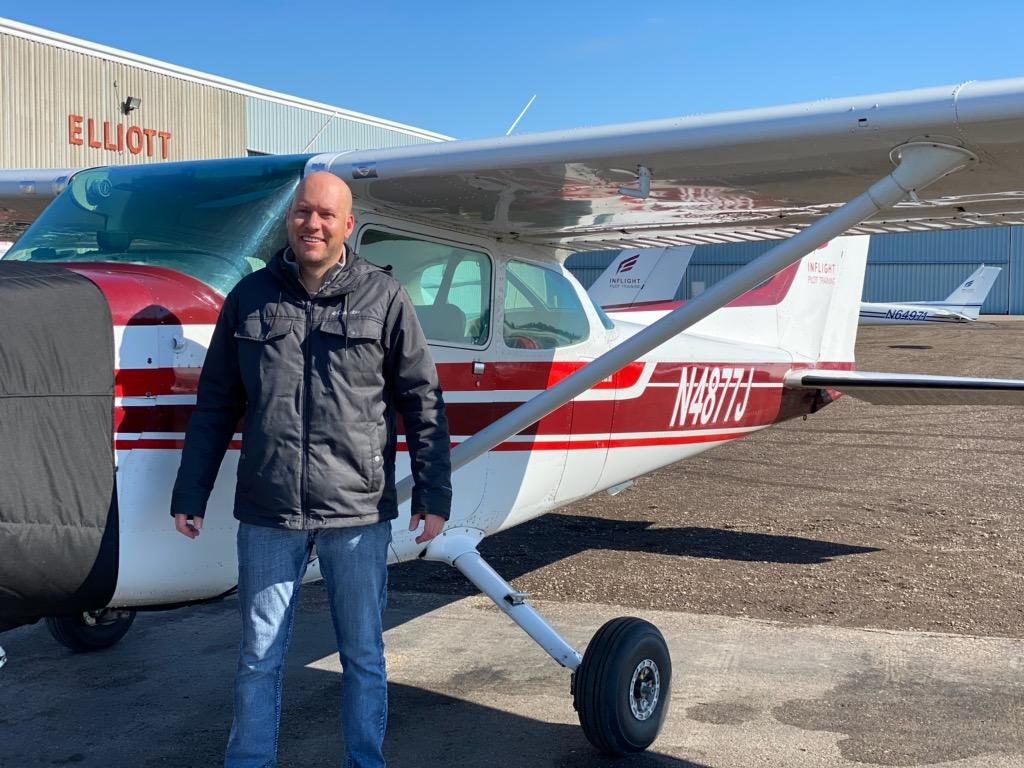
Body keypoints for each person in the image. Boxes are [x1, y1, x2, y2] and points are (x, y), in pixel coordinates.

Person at [170, 171, 452, 768]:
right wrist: (190, 490)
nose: (313, 224)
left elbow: (421, 399)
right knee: (258, 658)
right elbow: (218, 400)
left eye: (326, 215)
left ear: (348, 225)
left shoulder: (384, 297)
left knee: (363, 656)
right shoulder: (249, 298)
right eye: (303, 212)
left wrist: (434, 491)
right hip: (269, 511)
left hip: (356, 512)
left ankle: (364, 761)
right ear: (289, 220)